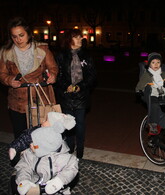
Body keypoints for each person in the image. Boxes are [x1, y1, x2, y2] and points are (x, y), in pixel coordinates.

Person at [0, 17, 58, 139]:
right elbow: (2, 74)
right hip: (17, 101)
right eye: (14, 36)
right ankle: (21, 156)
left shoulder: (42, 50)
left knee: (40, 137)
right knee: (21, 136)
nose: (18, 39)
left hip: (39, 98)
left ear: (29, 34)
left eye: (21, 35)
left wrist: (52, 75)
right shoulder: (6, 53)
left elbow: (53, 67)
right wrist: (10, 80)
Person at [9, 112, 78, 195]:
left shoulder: (61, 157)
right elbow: (24, 167)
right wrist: (23, 181)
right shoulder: (30, 154)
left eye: (34, 144)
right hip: (34, 185)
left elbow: (72, 167)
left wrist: (59, 181)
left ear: (44, 147)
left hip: (57, 189)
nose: (30, 145)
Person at [55, 29, 97, 159]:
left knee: (80, 124)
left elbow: (92, 75)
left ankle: (80, 149)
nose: (81, 39)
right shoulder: (61, 56)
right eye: (77, 37)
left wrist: (81, 86)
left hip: (81, 96)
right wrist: (65, 86)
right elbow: (58, 75)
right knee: (68, 124)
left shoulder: (86, 56)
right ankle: (69, 147)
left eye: (80, 37)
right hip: (66, 96)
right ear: (69, 40)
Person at [136, 52, 165, 135]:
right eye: (153, 63)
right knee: (154, 106)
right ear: (149, 64)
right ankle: (152, 125)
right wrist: (138, 91)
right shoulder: (147, 75)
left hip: (162, 93)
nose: (156, 64)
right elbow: (140, 84)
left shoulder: (163, 73)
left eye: (158, 62)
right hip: (152, 94)